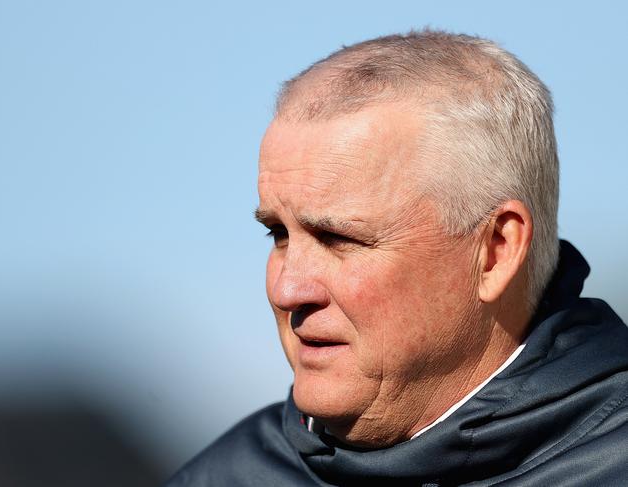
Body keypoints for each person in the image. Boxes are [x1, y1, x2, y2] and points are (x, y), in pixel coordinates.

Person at [166, 30, 628, 486]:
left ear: (495, 252)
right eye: (279, 235)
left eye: (337, 238)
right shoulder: (227, 475)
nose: (288, 290)